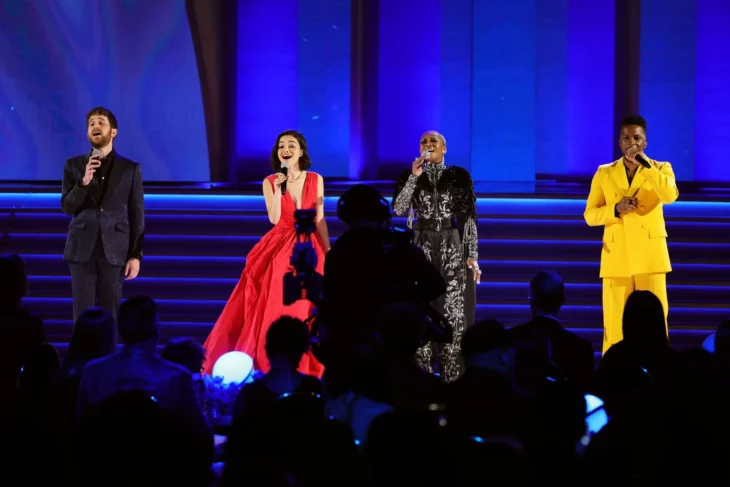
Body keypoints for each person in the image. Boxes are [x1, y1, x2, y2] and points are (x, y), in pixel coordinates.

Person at [203, 130, 330, 377]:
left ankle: (311, 361)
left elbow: (321, 218)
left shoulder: (316, 179)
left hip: (310, 242)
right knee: (281, 301)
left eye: (291, 145)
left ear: (301, 151)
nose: (285, 148)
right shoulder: (270, 181)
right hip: (281, 243)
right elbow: (274, 218)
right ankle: (275, 361)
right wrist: (280, 191)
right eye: (281, 145)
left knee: (312, 302)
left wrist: (328, 248)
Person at [584, 114, 678, 353]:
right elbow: (590, 215)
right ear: (619, 142)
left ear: (645, 142)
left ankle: (659, 373)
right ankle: (611, 376)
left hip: (650, 255)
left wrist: (645, 166)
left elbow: (670, 195)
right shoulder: (604, 172)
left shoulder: (660, 168)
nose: (631, 143)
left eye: (637, 138)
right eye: (626, 138)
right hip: (617, 256)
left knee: (656, 322)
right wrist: (616, 208)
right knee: (615, 326)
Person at [393, 130, 479, 383]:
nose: (428, 145)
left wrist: (472, 254)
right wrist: (413, 177)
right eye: (424, 142)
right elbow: (398, 209)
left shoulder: (458, 175)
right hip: (421, 243)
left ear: (444, 149)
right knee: (422, 305)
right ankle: (422, 378)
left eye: (434, 142)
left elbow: (469, 216)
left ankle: (452, 379)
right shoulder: (409, 175)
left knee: (453, 309)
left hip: (451, 242)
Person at [61, 107, 144, 322]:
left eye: (101, 122)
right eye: (91, 124)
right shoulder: (74, 165)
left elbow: (137, 214)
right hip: (82, 249)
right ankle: (83, 356)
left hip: (115, 249)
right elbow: (67, 206)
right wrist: (83, 183)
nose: (95, 126)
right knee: (82, 314)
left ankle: (108, 355)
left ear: (113, 131)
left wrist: (135, 255)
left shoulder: (130, 169)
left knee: (111, 314)